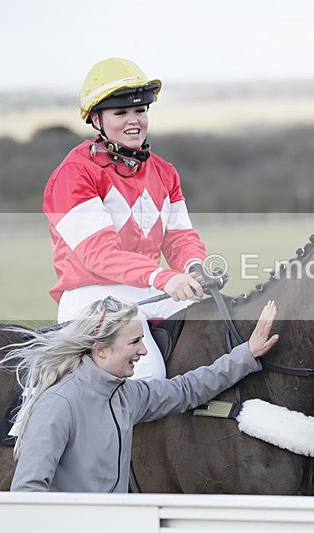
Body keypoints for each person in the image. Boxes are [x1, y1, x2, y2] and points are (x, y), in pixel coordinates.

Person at [1, 297, 279, 492]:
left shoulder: (127, 396)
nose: (144, 351)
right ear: (101, 349)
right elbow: (28, 491)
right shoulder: (58, 404)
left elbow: (187, 389)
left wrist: (247, 354)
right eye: (134, 342)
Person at [43, 57, 206, 380]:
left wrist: (193, 266)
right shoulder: (73, 174)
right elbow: (99, 255)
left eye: (140, 110)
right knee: (149, 374)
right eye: (121, 113)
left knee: (217, 331)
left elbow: (180, 238)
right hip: (92, 296)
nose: (134, 121)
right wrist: (163, 277)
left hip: (147, 291)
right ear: (96, 119)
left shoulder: (164, 171)